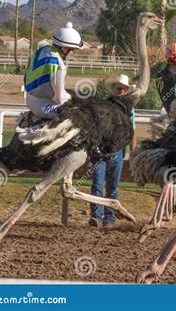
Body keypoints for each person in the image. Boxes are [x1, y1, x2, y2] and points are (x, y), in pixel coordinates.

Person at [89, 74, 137, 227]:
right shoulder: (104, 106)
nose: (121, 91)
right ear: (114, 90)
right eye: (119, 89)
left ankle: (108, 218)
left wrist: (133, 153)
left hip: (117, 151)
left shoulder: (128, 109)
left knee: (112, 186)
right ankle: (97, 217)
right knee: (98, 183)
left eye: (124, 89)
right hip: (101, 151)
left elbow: (132, 131)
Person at [24, 22, 83, 119]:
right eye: (72, 50)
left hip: (29, 99)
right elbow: (59, 98)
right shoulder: (58, 64)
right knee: (77, 116)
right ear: (64, 48)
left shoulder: (40, 50)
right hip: (45, 106)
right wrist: (72, 97)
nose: (73, 53)